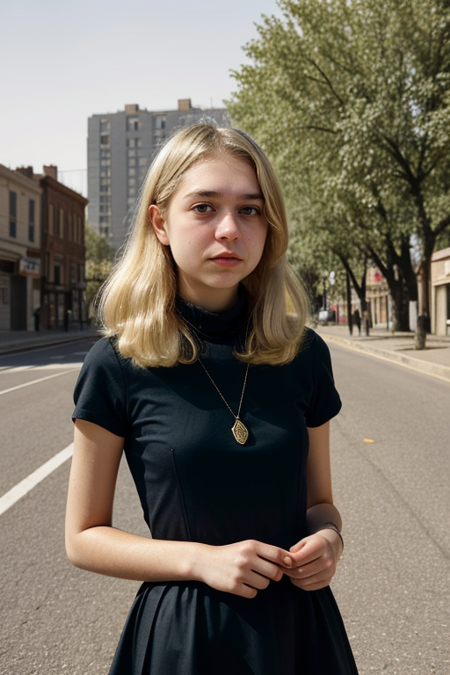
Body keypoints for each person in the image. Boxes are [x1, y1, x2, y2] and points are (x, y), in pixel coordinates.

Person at [65, 123, 359, 675]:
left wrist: (329, 539)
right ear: (160, 222)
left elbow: (320, 502)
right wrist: (200, 561)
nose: (230, 230)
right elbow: (83, 538)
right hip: (187, 636)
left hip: (300, 630)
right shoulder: (118, 362)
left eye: (250, 210)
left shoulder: (303, 353)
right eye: (203, 207)